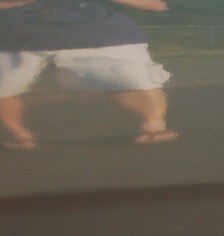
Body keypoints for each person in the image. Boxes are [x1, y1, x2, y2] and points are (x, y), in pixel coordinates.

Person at [0, 0, 175, 149]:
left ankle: (153, 125)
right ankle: (18, 134)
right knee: (4, 88)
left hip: (100, 34)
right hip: (15, 37)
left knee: (130, 78)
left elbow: (158, 5)